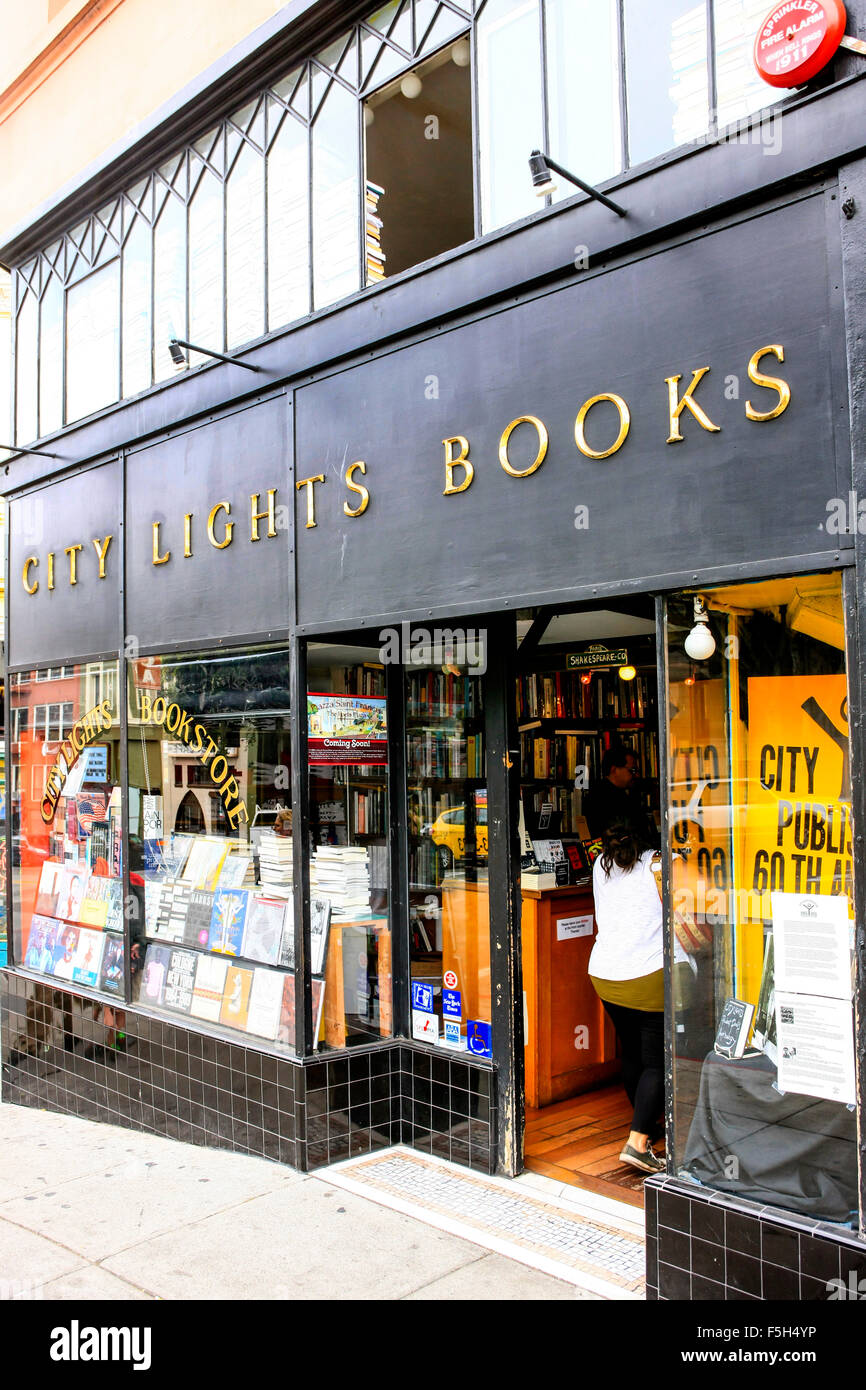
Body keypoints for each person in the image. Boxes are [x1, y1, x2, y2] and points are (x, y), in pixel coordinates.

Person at [588, 821, 686, 1174]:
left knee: (632, 1053)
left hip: (605, 973)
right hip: (647, 973)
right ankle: (638, 1141)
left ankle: (644, 1122)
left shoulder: (601, 864)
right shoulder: (663, 862)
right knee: (658, 1061)